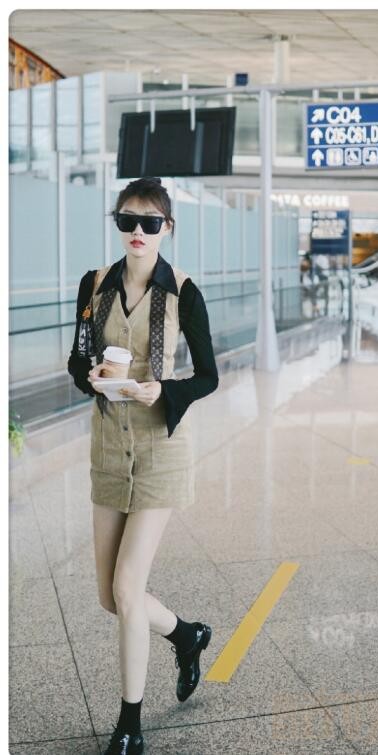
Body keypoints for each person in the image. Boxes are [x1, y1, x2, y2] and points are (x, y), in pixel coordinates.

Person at [67, 177, 219, 755]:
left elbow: (208, 375)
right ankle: (187, 636)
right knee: (111, 598)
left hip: (159, 452)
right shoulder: (94, 285)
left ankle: (129, 725)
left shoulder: (184, 292)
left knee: (128, 589)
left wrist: (166, 390)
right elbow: (77, 359)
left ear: (167, 228)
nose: (138, 231)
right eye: (127, 220)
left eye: (150, 223)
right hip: (109, 449)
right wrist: (92, 377)